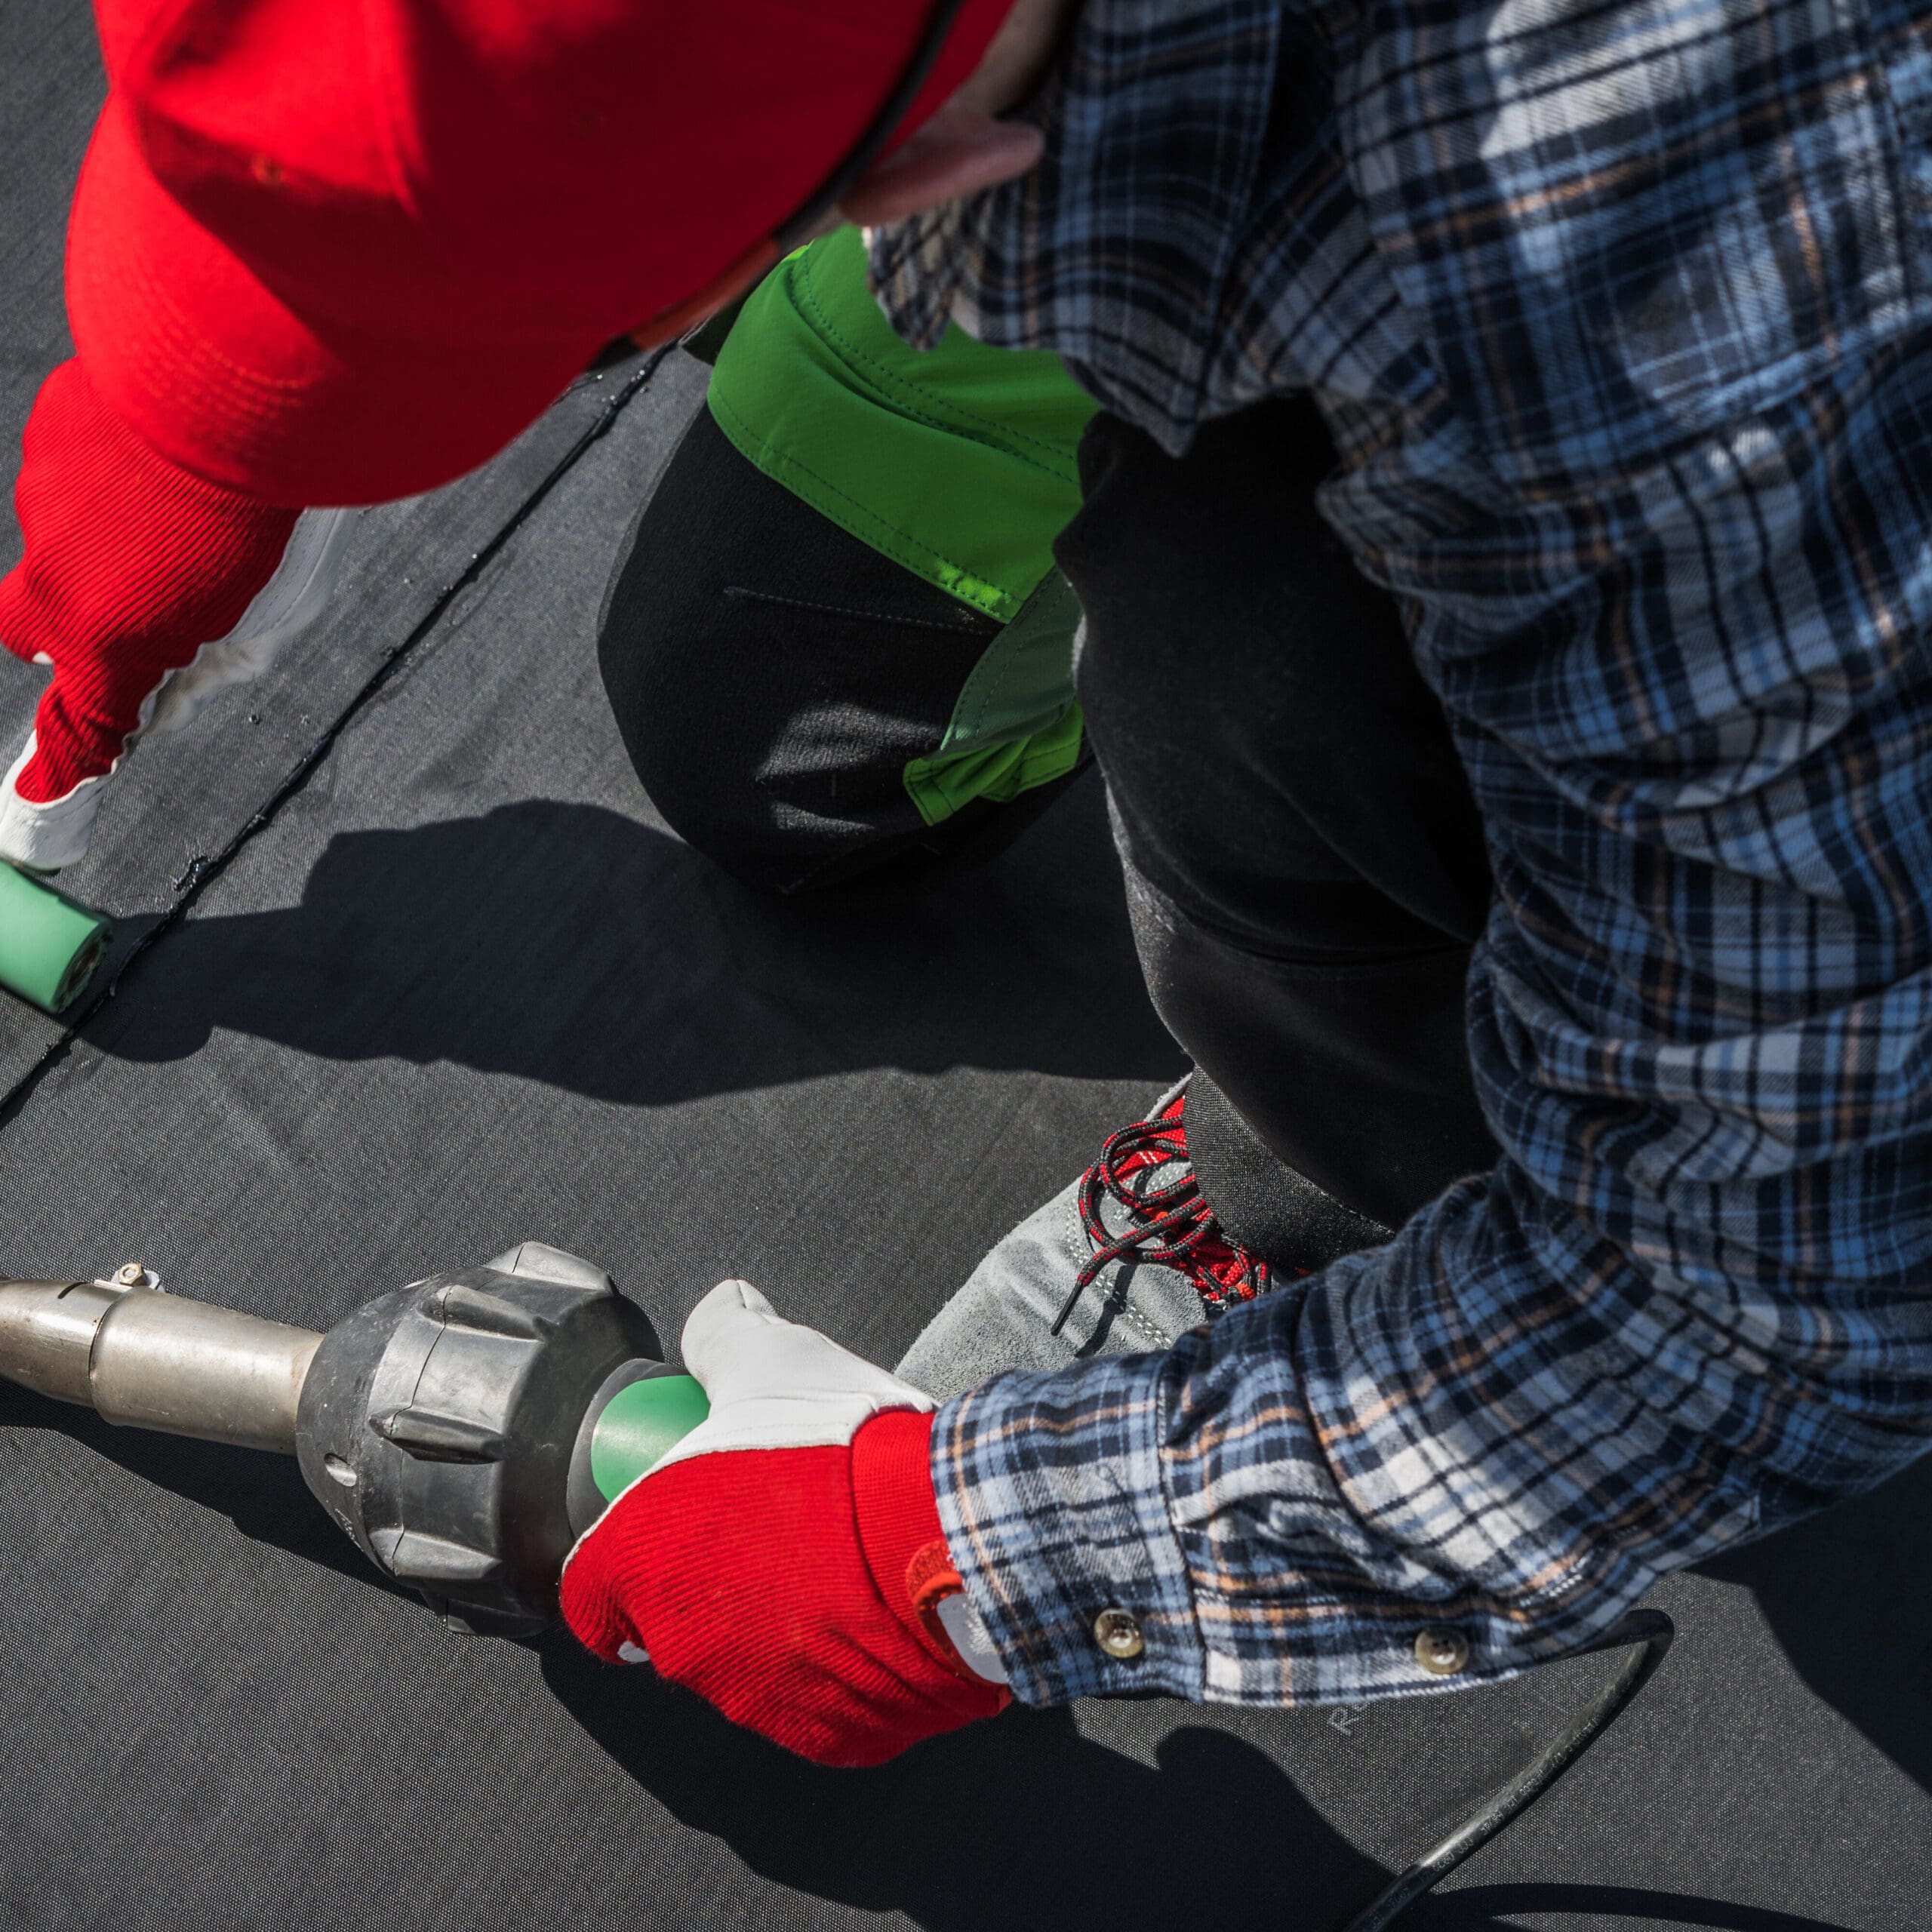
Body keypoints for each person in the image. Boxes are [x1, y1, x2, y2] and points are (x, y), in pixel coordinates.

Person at [7, 0, 1932, 1773]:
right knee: (764, 707)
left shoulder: (1659, 394)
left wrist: (959, 1552)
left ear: (905, 171)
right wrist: (208, 410)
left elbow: (1767, 1314)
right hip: (1154, 83)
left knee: (1245, 627)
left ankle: (1341, 1176)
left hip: (1725, 444)